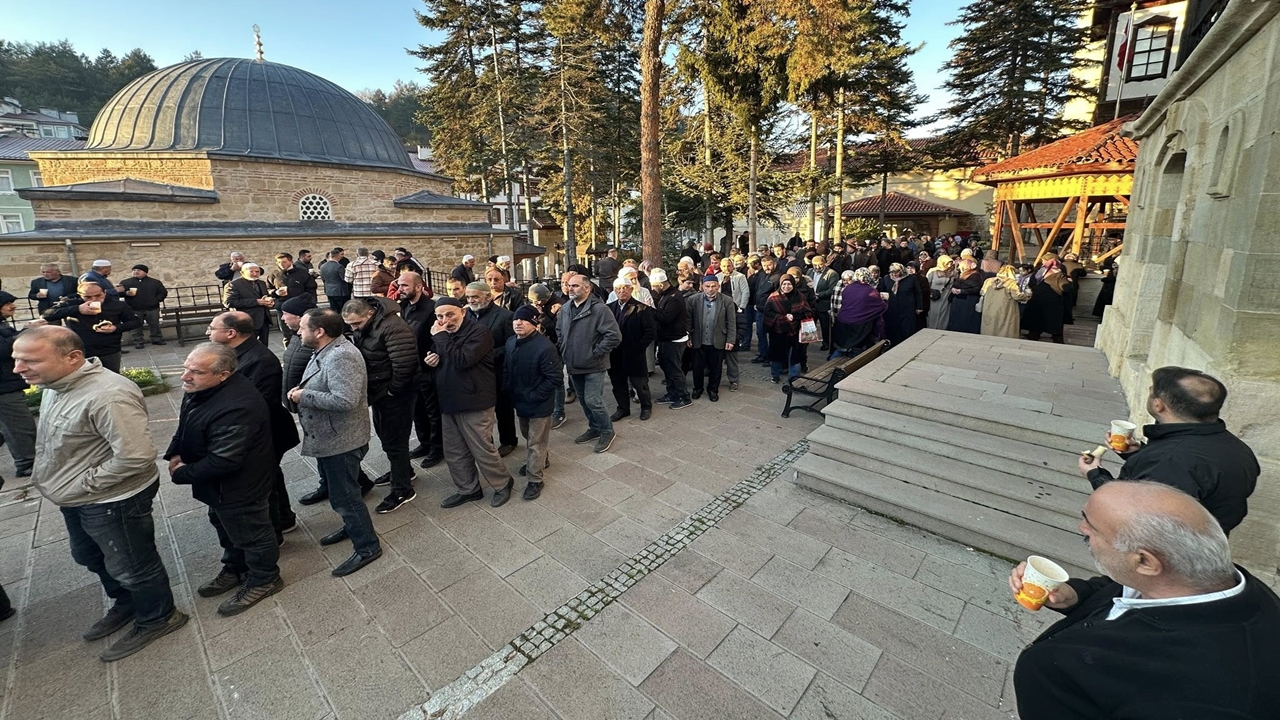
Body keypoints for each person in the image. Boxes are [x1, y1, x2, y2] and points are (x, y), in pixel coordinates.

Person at [1011, 480, 1280, 719]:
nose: (1082, 528)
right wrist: (1076, 597)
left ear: (1145, 562)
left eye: (1090, 528)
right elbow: (1122, 591)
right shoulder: (1204, 582)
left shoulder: (1206, 700)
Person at [15, 326, 184, 662]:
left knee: (133, 564)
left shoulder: (108, 394)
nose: (18, 368)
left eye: (29, 360)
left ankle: (158, 617)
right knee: (90, 556)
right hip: (77, 497)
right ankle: (127, 603)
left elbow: (135, 457)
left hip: (110, 499)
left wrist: (81, 485)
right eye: (16, 359)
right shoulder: (54, 385)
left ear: (72, 357)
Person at [166, 343, 282, 616]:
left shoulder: (237, 406)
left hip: (239, 485)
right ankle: (236, 567)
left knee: (252, 533)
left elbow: (225, 460)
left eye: (196, 371)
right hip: (217, 485)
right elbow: (186, 423)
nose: (185, 376)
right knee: (223, 523)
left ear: (223, 375)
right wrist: (176, 451)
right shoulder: (202, 389)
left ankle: (264, 578)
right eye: (186, 368)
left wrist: (182, 473)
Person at [1078, 367, 1259, 534]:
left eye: (1151, 392)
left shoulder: (1170, 460)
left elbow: (1130, 513)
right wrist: (1137, 452)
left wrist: (1095, 474)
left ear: (1159, 405)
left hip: (1164, 557)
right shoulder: (1238, 449)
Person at [286, 309, 382, 577]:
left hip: (342, 440)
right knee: (340, 492)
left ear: (319, 331)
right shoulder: (325, 349)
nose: (298, 331)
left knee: (346, 497)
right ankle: (352, 527)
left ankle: (367, 547)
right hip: (330, 438)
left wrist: (305, 395)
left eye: (303, 327)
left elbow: (345, 400)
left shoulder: (341, 356)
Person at [205, 311, 300, 543]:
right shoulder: (234, 353)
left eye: (212, 327)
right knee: (270, 476)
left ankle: (274, 531)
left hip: (265, 433)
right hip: (257, 432)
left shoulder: (258, 360)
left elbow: (256, 405)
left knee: (262, 482)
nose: (208, 332)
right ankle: (285, 518)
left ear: (231, 333)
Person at [428, 298, 516, 508]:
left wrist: (440, 338)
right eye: (440, 316)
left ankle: (502, 483)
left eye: (450, 315)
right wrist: (432, 360)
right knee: (455, 451)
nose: (445, 320)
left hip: (475, 400)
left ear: (463, 312)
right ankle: (469, 489)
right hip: (449, 400)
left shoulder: (479, 332)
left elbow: (462, 359)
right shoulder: (443, 335)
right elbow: (445, 358)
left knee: (482, 448)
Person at [341, 298, 420, 513]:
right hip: (380, 392)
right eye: (349, 325)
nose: (353, 328)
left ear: (369, 314)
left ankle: (402, 489)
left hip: (394, 394)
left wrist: (392, 390)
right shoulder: (370, 325)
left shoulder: (393, 327)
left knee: (395, 440)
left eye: (356, 324)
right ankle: (403, 471)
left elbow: (404, 364)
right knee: (387, 437)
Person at [556, 274, 621, 453]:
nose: (570, 288)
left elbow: (614, 335)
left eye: (575, 285)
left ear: (587, 288)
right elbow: (559, 330)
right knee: (584, 401)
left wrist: (596, 352)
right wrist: (564, 348)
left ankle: (607, 431)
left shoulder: (599, 309)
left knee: (594, 400)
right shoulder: (566, 308)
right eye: (569, 285)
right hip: (573, 363)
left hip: (594, 364)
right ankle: (594, 428)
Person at [505, 305, 561, 499]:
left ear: (534, 323)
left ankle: (535, 479)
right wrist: (508, 388)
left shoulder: (545, 347)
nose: (519, 323)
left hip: (539, 404)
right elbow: (507, 368)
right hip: (520, 401)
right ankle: (541, 460)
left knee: (535, 442)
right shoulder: (511, 343)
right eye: (516, 319)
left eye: (525, 320)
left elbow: (554, 379)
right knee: (528, 436)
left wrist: (534, 395)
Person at [464, 281, 518, 456]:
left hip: (498, 371)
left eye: (475, 297)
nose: (471, 300)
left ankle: (509, 440)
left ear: (487, 297)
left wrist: (487, 355)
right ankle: (487, 442)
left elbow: (511, 344)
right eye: (468, 297)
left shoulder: (505, 316)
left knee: (503, 408)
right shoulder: (465, 316)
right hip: (475, 373)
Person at [43, 281, 142, 373]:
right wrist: (77, 309)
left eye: (98, 295)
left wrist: (116, 328)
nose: (94, 299)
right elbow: (47, 314)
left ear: (105, 293)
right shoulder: (72, 303)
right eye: (87, 297)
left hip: (109, 350)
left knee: (111, 379)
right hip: (81, 351)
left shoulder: (117, 305)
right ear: (80, 295)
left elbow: (135, 321)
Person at [397, 273, 443, 468]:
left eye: (405, 285)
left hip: (428, 368)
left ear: (418, 287)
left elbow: (438, 338)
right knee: (417, 410)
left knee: (432, 411)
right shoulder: (404, 306)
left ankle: (437, 448)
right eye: (399, 285)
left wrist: (434, 356)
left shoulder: (431, 308)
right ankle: (424, 443)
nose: (400, 289)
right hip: (411, 368)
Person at [606, 278, 657, 419]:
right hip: (615, 354)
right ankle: (623, 408)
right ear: (614, 291)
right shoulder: (608, 308)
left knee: (640, 384)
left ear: (631, 289)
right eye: (618, 288)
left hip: (634, 353)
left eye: (625, 288)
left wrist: (638, 348)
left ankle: (646, 407)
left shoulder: (642, 308)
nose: (621, 291)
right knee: (618, 384)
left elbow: (650, 332)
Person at [0, 292, 36, 482]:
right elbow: (4, 349)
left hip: (7, 383)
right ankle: (27, 464)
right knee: (20, 426)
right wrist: (24, 333)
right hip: (4, 388)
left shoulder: (2, 323)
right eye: (6, 304)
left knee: (11, 425)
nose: (12, 306)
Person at [685, 274, 735, 402]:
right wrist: (688, 336)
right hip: (698, 339)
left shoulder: (727, 300)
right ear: (702, 286)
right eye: (707, 286)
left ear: (718, 286)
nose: (710, 289)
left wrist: (730, 340)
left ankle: (713, 389)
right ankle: (697, 388)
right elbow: (688, 321)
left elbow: (731, 322)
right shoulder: (693, 300)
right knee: (697, 367)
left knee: (716, 367)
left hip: (718, 339)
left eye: (714, 286)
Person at [649, 269, 692, 410]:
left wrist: (649, 309)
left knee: (674, 369)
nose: (652, 289)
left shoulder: (674, 297)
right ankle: (672, 393)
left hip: (675, 339)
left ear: (661, 285)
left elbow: (666, 318)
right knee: (666, 367)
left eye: (654, 286)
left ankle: (684, 397)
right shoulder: (666, 295)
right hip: (666, 338)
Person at [763, 275, 813, 383]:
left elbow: (808, 312)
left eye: (789, 284)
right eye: (784, 284)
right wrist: (782, 318)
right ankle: (775, 374)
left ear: (793, 284)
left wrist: (794, 317)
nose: (787, 286)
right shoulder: (773, 297)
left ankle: (794, 377)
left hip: (795, 332)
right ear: (780, 285)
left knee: (795, 355)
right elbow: (767, 314)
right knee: (776, 354)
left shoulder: (800, 296)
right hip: (778, 332)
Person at [830, 268, 886, 357]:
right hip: (859, 326)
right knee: (856, 351)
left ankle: (832, 360)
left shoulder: (848, 288)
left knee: (841, 349)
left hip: (842, 322)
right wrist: (884, 300)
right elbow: (880, 307)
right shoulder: (871, 291)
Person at [266, 253, 317, 347]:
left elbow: (311, 288)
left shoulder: (302, 273)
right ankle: (289, 352)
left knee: (305, 330)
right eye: (279, 262)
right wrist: (276, 292)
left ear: (291, 261)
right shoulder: (274, 274)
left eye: (284, 262)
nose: (282, 264)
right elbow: (268, 289)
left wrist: (312, 303)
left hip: (301, 308)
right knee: (287, 334)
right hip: (283, 307)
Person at [221, 263, 274, 346]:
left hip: (264, 320)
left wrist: (268, 302)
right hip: (246, 321)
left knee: (264, 346)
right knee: (248, 346)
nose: (255, 273)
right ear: (242, 273)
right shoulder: (233, 285)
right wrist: (256, 302)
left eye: (257, 271)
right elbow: (228, 302)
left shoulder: (261, 283)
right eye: (251, 271)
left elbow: (263, 298)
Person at [716, 258, 748, 390]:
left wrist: (740, 307)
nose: (726, 268)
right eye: (723, 266)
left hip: (735, 307)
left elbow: (745, 292)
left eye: (728, 266)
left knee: (732, 359)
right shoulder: (717, 277)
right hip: (719, 309)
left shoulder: (740, 276)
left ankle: (734, 380)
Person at [1023, 257, 1071, 343]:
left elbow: (1031, 282)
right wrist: (1069, 282)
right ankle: (1057, 338)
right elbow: (1065, 287)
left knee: (1036, 318)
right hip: (1053, 301)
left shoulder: (1040, 271)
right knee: (1054, 321)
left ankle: (1034, 335)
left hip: (1037, 299)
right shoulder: (1059, 272)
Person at [119, 264, 168, 349]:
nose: (136, 272)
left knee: (154, 325)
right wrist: (125, 293)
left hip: (152, 308)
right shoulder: (125, 282)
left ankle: (156, 339)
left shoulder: (155, 282)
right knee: (136, 327)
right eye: (134, 270)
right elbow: (118, 293)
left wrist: (156, 300)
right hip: (134, 309)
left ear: (145, 272)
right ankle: (138, 342)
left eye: (139, 270)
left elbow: (163, 292)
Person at [980, 263, 1030, 338]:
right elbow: (1017, 296)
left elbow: (982, 292)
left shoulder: (988, 281)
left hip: (989, 307)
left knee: (990, 325)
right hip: (1006, 308)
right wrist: (1027, 295)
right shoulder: (1011, 283)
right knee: (1005, 325)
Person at [878, 263, 922, 347]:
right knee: (892, 327)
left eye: (897, 271)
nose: (894, 274)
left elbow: (918, 293)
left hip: (907, 308)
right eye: (892, 272)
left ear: (901, 270)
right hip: (891, 308)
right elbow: (882, 290)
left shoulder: (911, 279)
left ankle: (906, 344)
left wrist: (919, 307)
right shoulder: (887, 278)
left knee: (906, 328)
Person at [751, 256, 783, 364]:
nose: (767, 267)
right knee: (760, 333)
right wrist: (755, 302)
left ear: (774, 264)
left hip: (772, 311)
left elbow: (779, 295)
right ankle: (762, 354)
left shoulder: (778, 276)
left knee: (772, 336)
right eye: (764, 265)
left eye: (769, 265)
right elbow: (757, 289)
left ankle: (771, 357)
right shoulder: (762, 274)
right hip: (760, 309)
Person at [945, 257, 983, 334]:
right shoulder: (963, 274)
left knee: (965, 320)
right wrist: (953, 289)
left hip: (968, 301)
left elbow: (976, 288)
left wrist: (961, 291)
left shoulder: (975, 275)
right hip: (960, 300)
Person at [809, 256, 839, 351]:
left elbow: (832, 289)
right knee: (809, 324)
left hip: (823, 304)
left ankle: (826, 343)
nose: (817, 267)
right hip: (811, 304)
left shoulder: (832, 274)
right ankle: (807, 341)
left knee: (825, 326)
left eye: (820, 265)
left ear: (825, 263)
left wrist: (819, 295)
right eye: (815, 265)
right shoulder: (809, 272)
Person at [925, 255, 956, 330]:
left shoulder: (953, 272)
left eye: (950, 263)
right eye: (947, 263)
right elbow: (926, 283)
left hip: (946, 296)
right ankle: (931, 328)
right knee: (933, 312)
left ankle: (942, 328)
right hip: (934, 296)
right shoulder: (933, 271)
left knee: (944, 313)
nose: (949, 265)